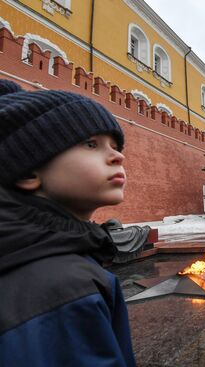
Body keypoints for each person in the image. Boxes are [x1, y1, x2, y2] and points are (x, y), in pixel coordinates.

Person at [0, 80, 136, 366]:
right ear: (28, 173)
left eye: (115, 145)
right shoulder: (64, 285)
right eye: (91, 144)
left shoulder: (36, 254)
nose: (118, 156)